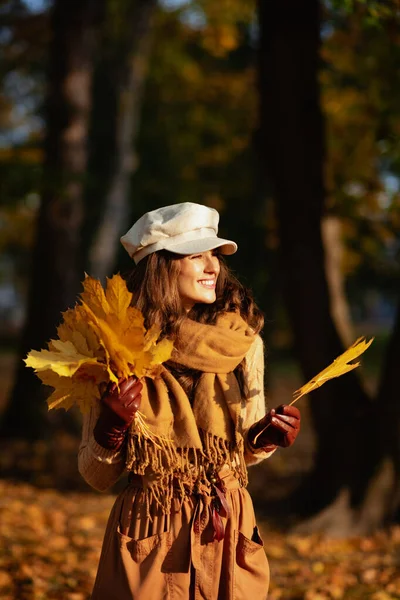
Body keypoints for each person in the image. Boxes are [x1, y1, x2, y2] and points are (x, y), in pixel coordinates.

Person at [78, 202, 301, 600]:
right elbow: (95, 476)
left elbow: (243, 456)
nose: (213, 266)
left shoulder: (241, 343)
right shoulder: (117, 346)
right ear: (161, 266)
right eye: (196, 256)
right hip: (151, 534)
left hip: (228, 527)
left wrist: (262, 439)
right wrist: (109, 429)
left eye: (214, 255)